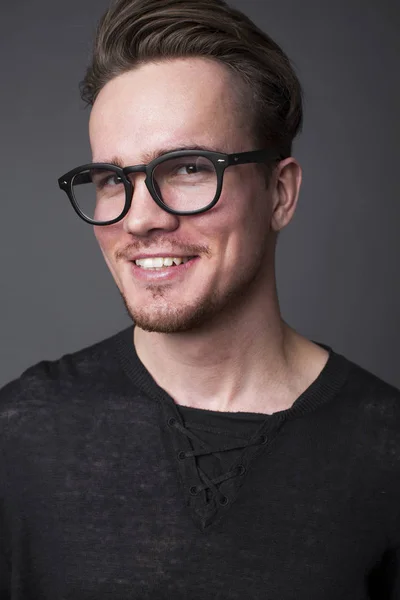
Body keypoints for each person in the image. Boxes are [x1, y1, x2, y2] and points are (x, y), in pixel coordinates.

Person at [1, 0, 399, 597]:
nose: (138, 220)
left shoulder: (386, 454)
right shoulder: (18, 437)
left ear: (280, 194)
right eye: (113, 179)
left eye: (187, 168)